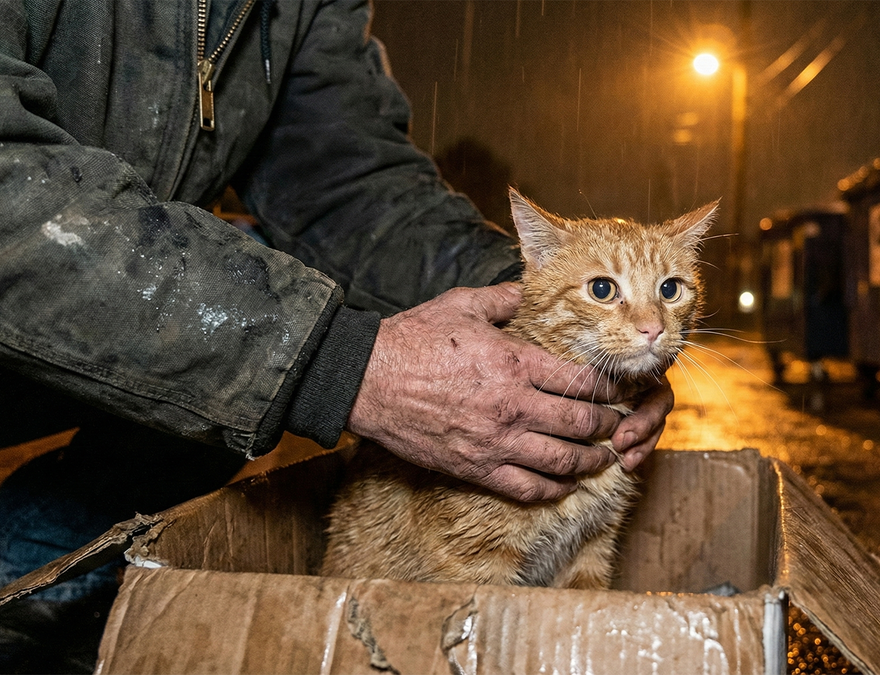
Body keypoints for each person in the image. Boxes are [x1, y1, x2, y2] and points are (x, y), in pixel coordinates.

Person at [0, 1, 672, 670]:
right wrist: (339, 361)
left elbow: (344, 181)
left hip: (88, 375)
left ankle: (47, 589)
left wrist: (548, 306)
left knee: (220, 416)